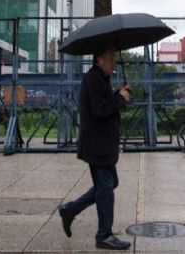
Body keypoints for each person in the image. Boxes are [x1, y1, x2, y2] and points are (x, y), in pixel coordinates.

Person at [58, 47, 132, 250]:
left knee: (110, 183)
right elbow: (101, 110)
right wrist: (120, 98)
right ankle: (104, 235)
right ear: (99, 60)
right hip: (97, 145)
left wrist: (119, 93)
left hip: (102, 144)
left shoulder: (100, 79)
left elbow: (104, 103)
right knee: (106, 187)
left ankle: (71, 209)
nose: (114, 63)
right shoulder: (93, 79)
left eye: (114, 59)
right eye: (110, 59)